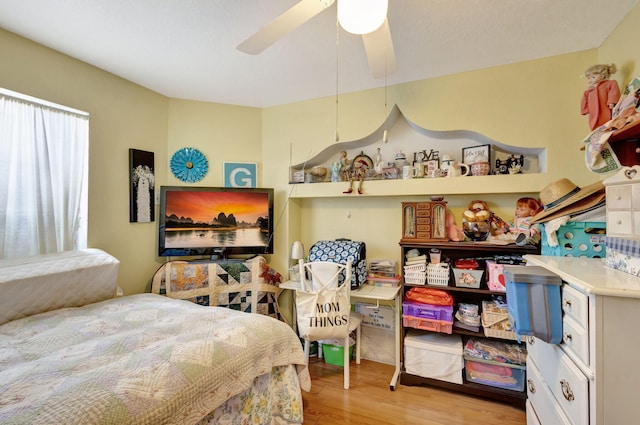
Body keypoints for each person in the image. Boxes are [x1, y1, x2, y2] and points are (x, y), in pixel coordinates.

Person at [580, 63, 621, 130]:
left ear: (603, 75)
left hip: (605, 107)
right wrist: (586, 110)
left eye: (593, 77)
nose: (590, 80)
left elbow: (613, 91)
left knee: (608, 121)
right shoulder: (589, 91)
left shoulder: (610, 83)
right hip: (594, 112)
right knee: (596, 124)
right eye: (588, 78)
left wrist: (611, 101)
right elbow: (584, 100)